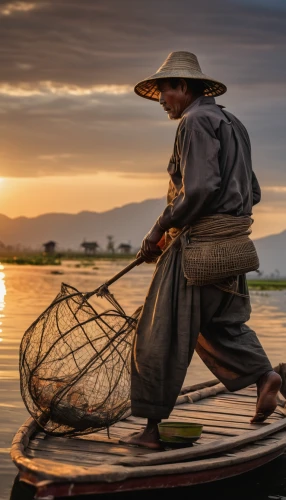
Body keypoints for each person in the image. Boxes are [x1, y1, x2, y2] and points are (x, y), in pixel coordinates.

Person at [120, 51, 282, 450]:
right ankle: (266, 377)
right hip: (231, 248)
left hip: (198, 248)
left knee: (159, 333)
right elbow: (253, 192)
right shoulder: (233, 124)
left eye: (165, 92)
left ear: (184, 88)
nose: (161, 101)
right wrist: (223, 221)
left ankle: (151, 431)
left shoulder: (194, 123)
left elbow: (199, 189)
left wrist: (159, 230)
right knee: (219, 326)